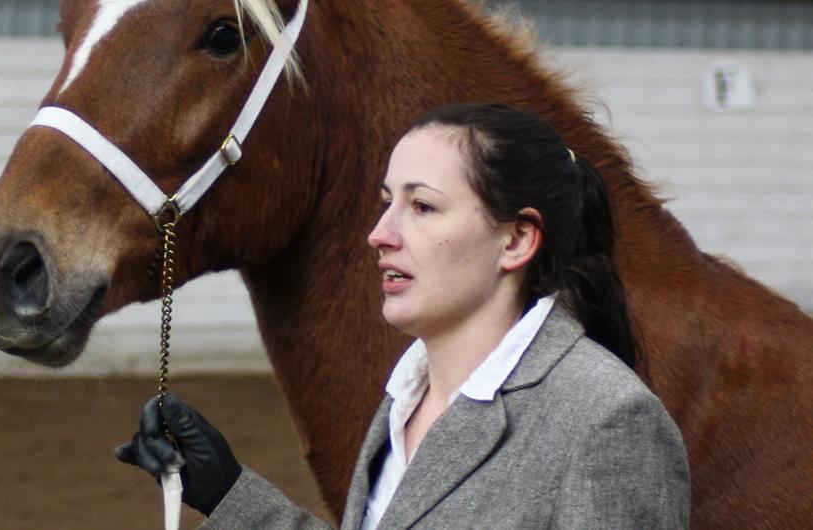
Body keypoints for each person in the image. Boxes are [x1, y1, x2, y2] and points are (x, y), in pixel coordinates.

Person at [116, 102, 690, 529]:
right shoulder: (406, 398)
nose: (380, 234)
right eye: (386, 202)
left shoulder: (609, 422)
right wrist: (229, 492)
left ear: (516, 240)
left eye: (422, 206)